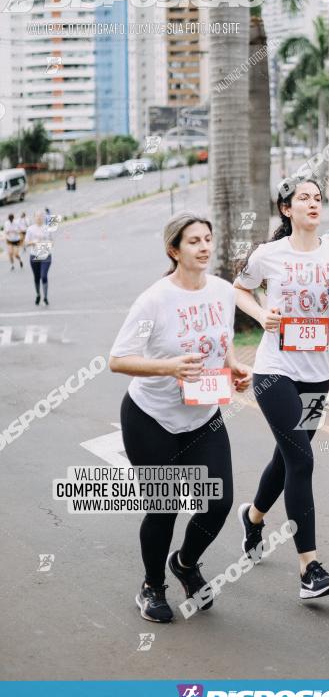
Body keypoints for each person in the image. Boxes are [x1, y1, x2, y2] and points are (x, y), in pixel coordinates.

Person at [109, 212, 252, 623]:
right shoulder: (154, 299)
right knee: (164, 505)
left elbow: (219, 342)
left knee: (219, 501)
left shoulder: (223, 292)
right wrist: (169, 367)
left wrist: (234, 366)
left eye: (208, 238)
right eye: (194, 241)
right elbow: (118, 360)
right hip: (151, 417)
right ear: (174, 250)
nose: (205, 247)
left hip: (203, 412)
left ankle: (186, 563)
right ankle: (152, 586)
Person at [233, 178, 329, 600]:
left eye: (317, 198)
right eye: (303, 198)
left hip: (317, 374)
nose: (313, 203)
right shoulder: (268, 255)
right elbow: (239, 288)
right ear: (287, 209)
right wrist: (260, 315)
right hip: (274, 371)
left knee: (287, 457)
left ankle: (253, 518)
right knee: (302, 460)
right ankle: (310, 568)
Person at [23, 211, 53, 305]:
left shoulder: (47, 228)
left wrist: (48, 244)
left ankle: (45, 297)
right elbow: (26, 243)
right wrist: (34, 242)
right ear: (34, 218)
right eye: (37, 216)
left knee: (43, 275)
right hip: (34, 255)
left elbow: (52, 241)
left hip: (45, 255)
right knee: (36, 277)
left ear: (43, 217)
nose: (39, 218)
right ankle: (38, 294)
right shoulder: (30, 229)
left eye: (41, 216)